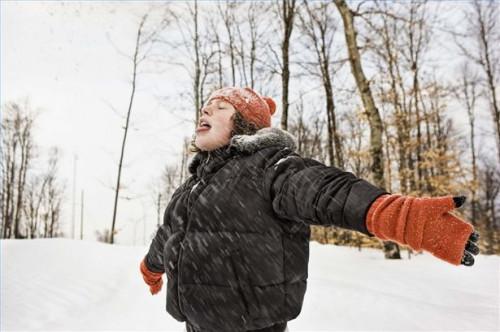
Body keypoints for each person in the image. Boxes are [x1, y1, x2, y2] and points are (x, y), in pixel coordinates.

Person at [139, 87, 480, 332]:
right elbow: (170, 233)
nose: (206, 111)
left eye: (220, 107)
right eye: (205, 106)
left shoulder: (268, 166)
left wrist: (398, 215)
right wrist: (152, 267)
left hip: (252, 325)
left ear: (244, 124)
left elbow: (323, 189)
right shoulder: (192, 186)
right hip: (196, 323)